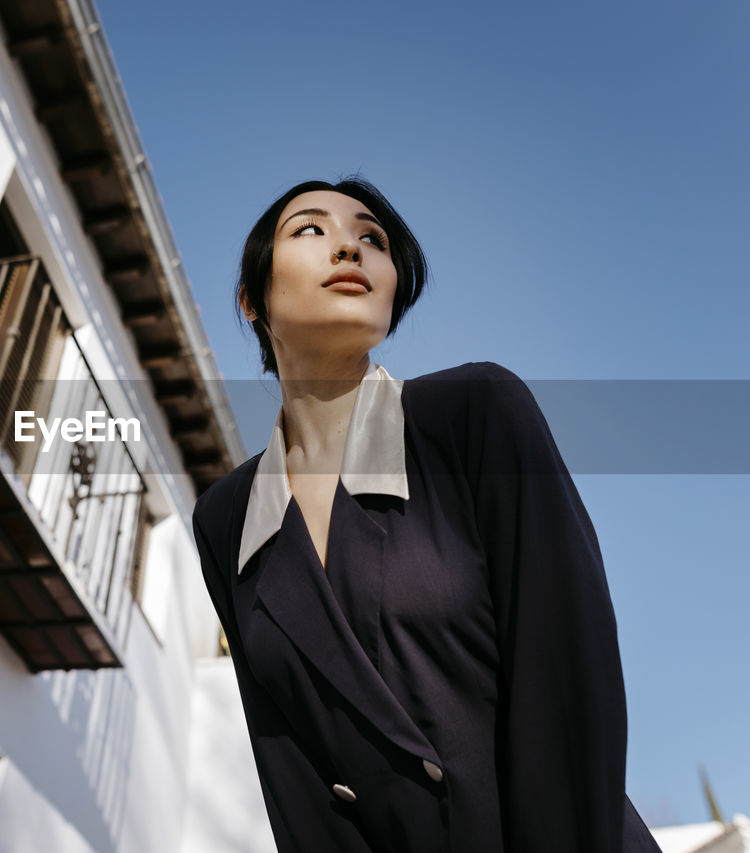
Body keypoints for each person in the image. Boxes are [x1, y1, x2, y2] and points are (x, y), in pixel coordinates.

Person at [190, 177, 662, 852]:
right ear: (251, 299)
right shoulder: (227, 518)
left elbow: (566, 682)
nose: (350, 245)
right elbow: (290, 772)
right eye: (311, 230)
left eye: (372, 239)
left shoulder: (476, 414)